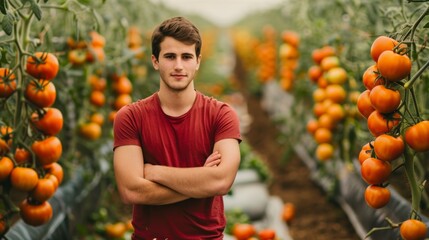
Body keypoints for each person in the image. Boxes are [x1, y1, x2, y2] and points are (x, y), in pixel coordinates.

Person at [112, 16, 242, 239]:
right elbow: (130, 190)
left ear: (198, 61)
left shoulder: (221, 115)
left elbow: (221, 181)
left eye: (187, 57)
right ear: (155, 61)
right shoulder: (130, 117)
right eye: (170, 56)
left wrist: (155, 172)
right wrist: (201, 181)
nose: (179, 66)